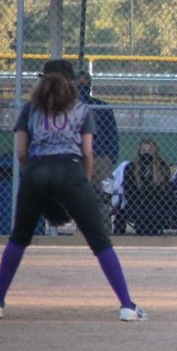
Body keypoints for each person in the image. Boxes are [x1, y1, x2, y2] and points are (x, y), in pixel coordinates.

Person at [0, 59, 146, 322]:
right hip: (71, 170)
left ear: (43, 80)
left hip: (37, 171)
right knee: (100, 241)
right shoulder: (82, 109)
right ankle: (127, 306)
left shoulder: (30, 109)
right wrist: (83, 180)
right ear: (72, 83)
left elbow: (21, 152)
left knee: (18, 238)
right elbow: (87, 152)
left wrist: (30, 176)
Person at [76, 70, 119, 233]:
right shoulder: (69, 107)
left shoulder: (101, 107)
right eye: (79, 84)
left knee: (102, 197)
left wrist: (111, 157)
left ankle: (104, 231)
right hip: (78, 158)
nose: (83, 88)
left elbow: (112, 133)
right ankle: (83, 231)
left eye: (86, 84)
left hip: (100, 158)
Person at [120, 139, 177, 236]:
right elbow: (129, 191)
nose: (146, 154)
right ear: (139, 152)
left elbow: (165, 191)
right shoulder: (130, 167)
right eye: (143, 151)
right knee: (140, 211)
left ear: (155, 152)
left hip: (157, 204)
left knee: (154, 211)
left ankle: (153, 233)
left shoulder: (162, 167)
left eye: (149, 151)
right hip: (138, 203)